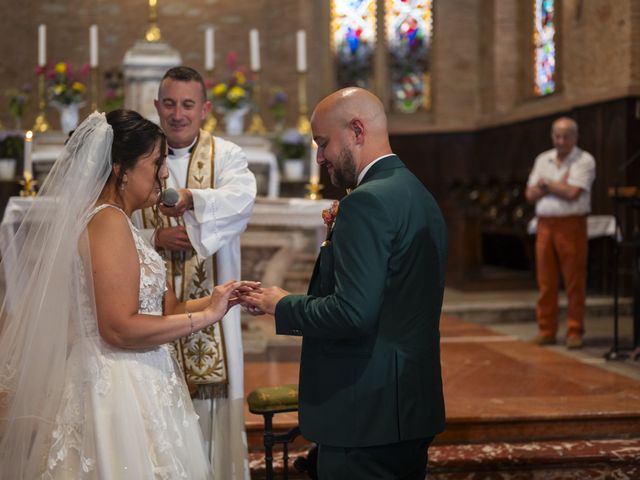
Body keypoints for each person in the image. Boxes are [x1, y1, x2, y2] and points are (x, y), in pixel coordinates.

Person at [0, 110, 251, 478]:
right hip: (115, 389)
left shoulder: (125, 223)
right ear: (122, 169)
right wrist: (206, 317)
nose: (165, 174)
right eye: (157, 162)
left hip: (144, 380)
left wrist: (221, 299)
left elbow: (170, 307)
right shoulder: (107, 222)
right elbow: (117, 328)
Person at [241, 87, 448, 480]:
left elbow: (353, 313)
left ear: (356, 129)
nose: (320, 157)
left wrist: (280, 303)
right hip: (409, 406)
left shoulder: (366, 203)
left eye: (323, 143)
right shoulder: (418, 194)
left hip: (366, 413)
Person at [131, 66, 256, 479]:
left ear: (204, 109)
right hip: (143, 308)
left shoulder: (227, 155)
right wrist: (154, 239)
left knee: (210, 406)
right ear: (156, 107)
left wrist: (193, 200)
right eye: (169, 104)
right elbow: (109, 217)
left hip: (209, 319)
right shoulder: (137, 154)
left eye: (187, 105)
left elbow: (240, 201)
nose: (178, 114)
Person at [526, 116, 596, 349]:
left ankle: (575, 331)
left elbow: (573, 193)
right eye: (557, 136)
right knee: (546, 281)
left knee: (574, 280)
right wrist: (558, 185)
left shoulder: (584, 160)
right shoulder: (542, 159)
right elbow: (529, 195)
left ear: (575, 137)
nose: (561, 140)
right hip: (545, 224)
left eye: (566, 136)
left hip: (571, 224)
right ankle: (546, 329)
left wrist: (546, 185)